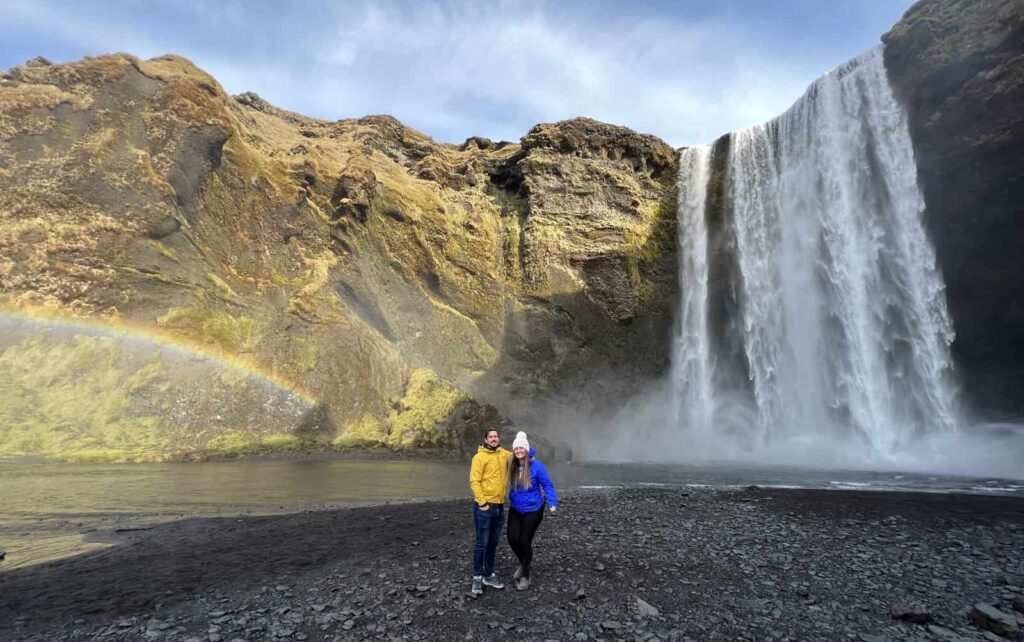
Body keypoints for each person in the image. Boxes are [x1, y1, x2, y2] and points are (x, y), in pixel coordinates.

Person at [506, 431, 558, 590]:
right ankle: (523, 562)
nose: (519, 451)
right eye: (516, 449)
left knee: (524, 541)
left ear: (527, 449)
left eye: (522, 448)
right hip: (516, 508)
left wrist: (552, 502)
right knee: (512, 538)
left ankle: (526, 575)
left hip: (534, 508)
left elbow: (548, 485)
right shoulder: (512, 464)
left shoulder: (537, 466)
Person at [468, 426, 512, 596]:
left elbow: (519, 453)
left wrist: (531, 454)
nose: (494, 439)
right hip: (485, 506)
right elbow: (474, 481)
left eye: (496, 436)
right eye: (491, 437)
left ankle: (489, 574)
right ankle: (477, 577)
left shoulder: (503, 454)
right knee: (481, 542)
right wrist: (483, 503)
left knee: (493, 542)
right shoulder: (479, 457)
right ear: (486, 440)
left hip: (500, 506)